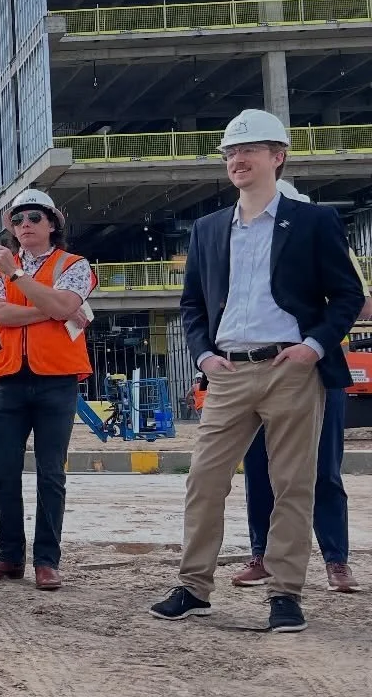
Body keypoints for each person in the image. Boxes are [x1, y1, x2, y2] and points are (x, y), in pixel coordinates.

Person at [152, 113, 363, 632]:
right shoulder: (207, 229)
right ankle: (194, 585)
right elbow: (193, 306)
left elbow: (349, 295)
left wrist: (314, 346)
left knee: (294, 484)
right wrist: (203, 356)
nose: (237, 160)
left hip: (291, 367)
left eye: (250, 150)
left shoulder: (312, 222)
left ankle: (285, 593)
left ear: (278, 156)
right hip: (228, 372)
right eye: (229, 153)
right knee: (204, 479)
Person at [233, 180, 361, 596]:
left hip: (315, 369)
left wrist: (310, 307)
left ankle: (335, 559)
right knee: (259, 469)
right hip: (256, 370)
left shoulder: (322, 239)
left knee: (323, 470)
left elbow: (357, 298)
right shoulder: (247, 246)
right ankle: (262, 555)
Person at [0, 188, 96, 593]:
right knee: (4, 473)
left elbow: (65, 306)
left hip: (56, 381)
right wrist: (51, 308)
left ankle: (47, 561)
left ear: (52, 224)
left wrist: (17, 278)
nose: (25, 225)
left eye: (34, 218)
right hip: (8, 379)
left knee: (50, 474)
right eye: (19, 219)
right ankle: (9, 556)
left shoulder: (73, 264)